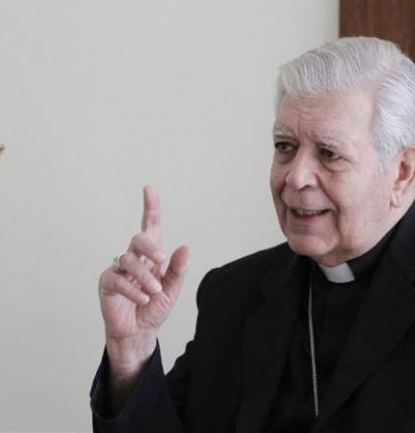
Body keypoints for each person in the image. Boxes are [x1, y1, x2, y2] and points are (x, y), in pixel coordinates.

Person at [90, 37, 415, 433]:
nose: (295, 177)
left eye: (329, 154)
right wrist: (131, 351)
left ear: (402, 172)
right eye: (285, 147)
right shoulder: (232, 295)